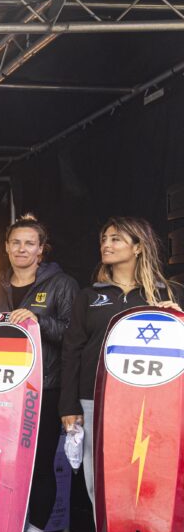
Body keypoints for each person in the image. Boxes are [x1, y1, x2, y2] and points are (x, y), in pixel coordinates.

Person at [0, 214, 77, 532]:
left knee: (39, 466)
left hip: (44, 389)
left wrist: (37, 320)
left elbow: (71, 334)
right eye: (15, 242)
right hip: (0, 391)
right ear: (6, 247)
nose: (22, 249)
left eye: (29, 243)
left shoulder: (61, 283)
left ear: (41, 249)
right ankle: (4, 530)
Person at [60, 217, 182, 507]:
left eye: (115, 239)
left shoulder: (167, 292)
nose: (106, 244)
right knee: (98, 480)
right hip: (93, 399)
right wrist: (68, 405)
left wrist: (178, 319)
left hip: (150, 402)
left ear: (138, 247)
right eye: (104, 238)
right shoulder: (89, 295)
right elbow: (71, 350)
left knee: (145, 479)